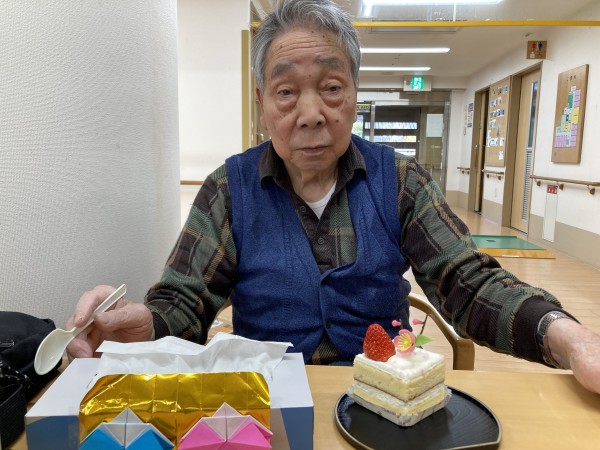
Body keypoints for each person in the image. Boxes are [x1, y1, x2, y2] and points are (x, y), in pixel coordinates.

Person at [67, 0, 600, 393]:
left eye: (330, 87)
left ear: (353, 92)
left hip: (384, 399)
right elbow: (184, 302)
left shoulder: (401, 181)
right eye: (286, 91)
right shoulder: (228, 189)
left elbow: (467, 281)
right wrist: (148, 325)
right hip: (267, 403)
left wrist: (569, 338)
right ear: (262, 102)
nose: (311, 113)